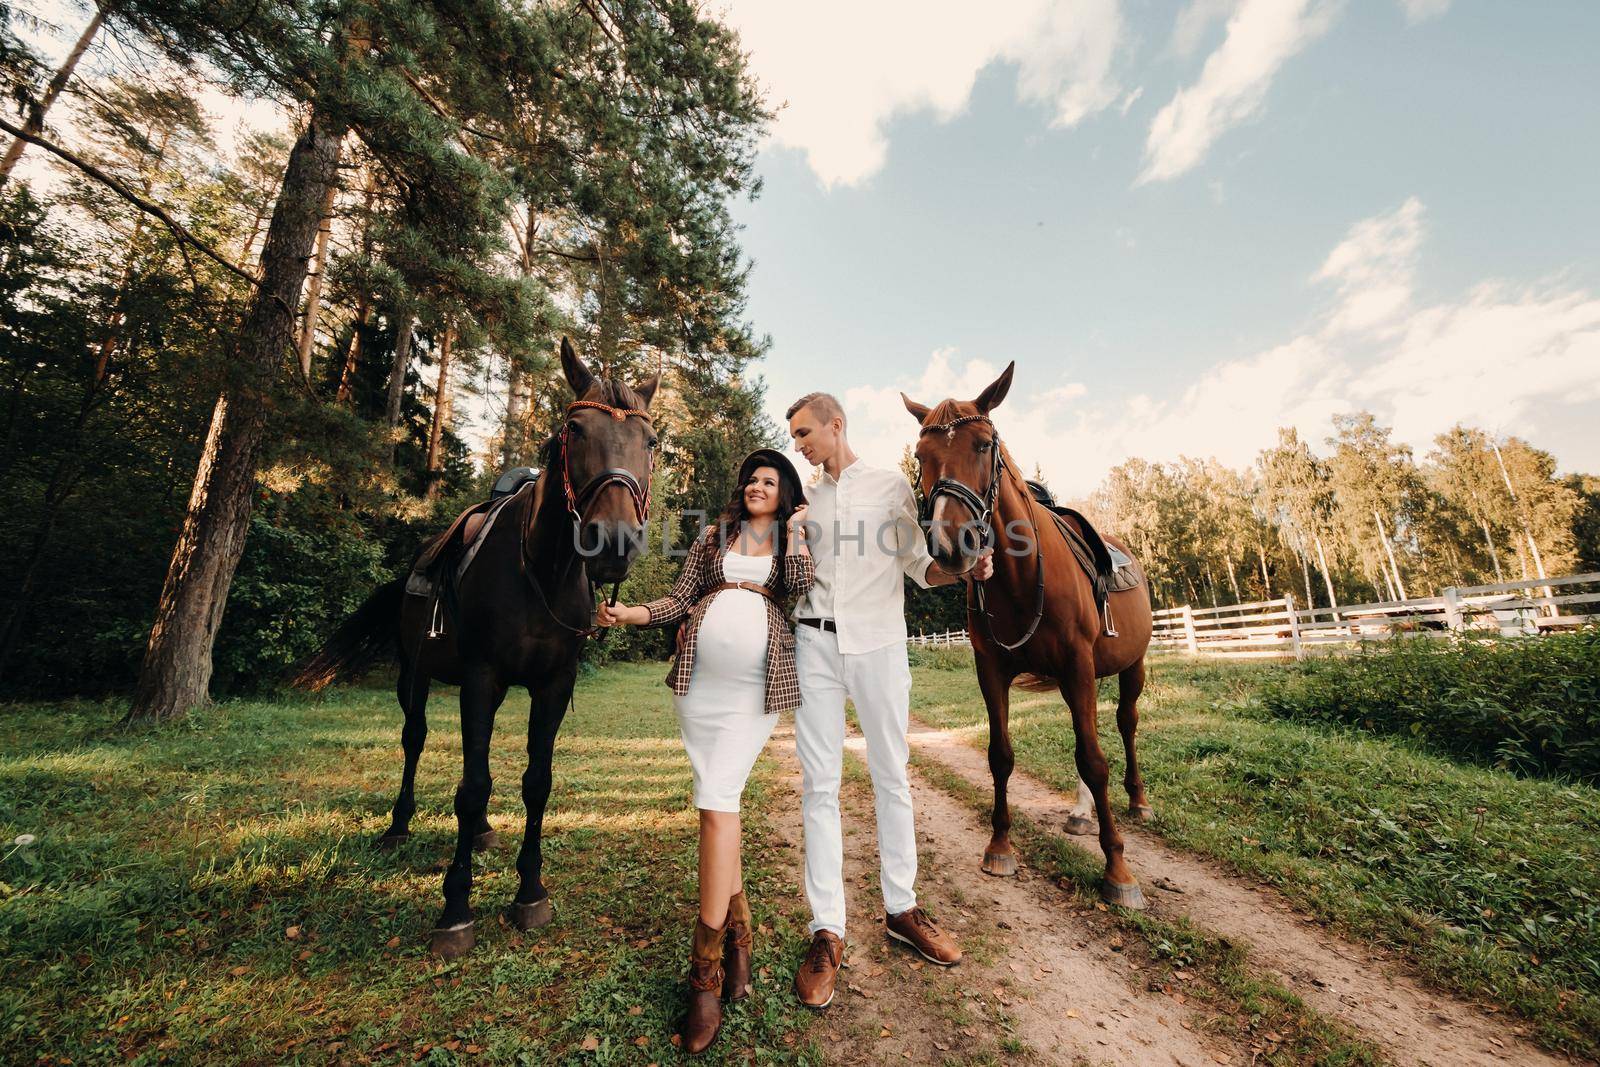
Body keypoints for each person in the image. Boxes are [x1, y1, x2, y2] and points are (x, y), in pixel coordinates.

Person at [596, 447, 813, 1054]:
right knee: (722, 812)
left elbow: (797, 587)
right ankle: (741, 939)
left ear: (787, 493)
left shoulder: (791, 545)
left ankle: (705, 974)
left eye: (770, 481)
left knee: (716, 806)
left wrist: (795, 530)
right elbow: (678, 598)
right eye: (751, 479)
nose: (757, 486)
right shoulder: (713, 538)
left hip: (753, 695)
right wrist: (632, 614)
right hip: (700, 692)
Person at [784, 390, 993, 1009]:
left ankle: (902, 909)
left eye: (804, 433)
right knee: (819, 785)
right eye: (794, 437)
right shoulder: (804, 500)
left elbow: (919, 566)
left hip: (879, 645)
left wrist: (962, 571)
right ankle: (828, 930)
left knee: (891, 776)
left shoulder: (890, 488)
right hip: (814, 647)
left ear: (835, 424)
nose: (799, 445)